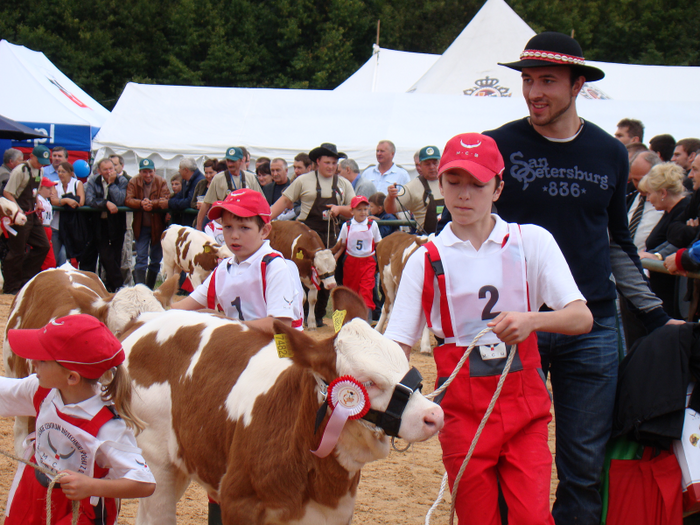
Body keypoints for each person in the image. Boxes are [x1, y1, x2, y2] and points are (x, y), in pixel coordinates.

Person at [465, 32, 673, 525]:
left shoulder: (609, 153)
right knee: (506, 455)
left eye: (548, 81)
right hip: (514, 326)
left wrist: (658, 318)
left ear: (578, 84)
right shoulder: (497, 145)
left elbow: (617, 242)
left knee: (584, 465)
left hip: (592, 326)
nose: (534, 91)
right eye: (528, 80)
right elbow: (470, 231)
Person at [385, 133, 592, 525]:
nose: (464, 195)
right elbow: (398, 344)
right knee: (477, 518)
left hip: (523, 406)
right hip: (461, 410)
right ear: (440, 184)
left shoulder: (530, 240)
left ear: (498, 188)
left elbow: (581, 317)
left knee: (532, 518)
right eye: (454, 183)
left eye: (477, 184)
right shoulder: (425, 258)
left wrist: (533, 319)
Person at [0, 314, 156, 525]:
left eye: (42, 360)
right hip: (33, 494)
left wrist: (92, 486)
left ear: (71, 377)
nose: (32, 362)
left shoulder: (108, 427)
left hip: (79, 511)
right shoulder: (42, 391)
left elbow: (144, 483)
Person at [172, 188, 302, 331]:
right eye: (227, 227)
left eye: (244, 228)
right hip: (241, 347)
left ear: (264, 231)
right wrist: (153, 309)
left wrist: (226, 325)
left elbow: (281, 325)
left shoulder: (273, 266)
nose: (234, 235)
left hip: (277, 348)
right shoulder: (223, 268)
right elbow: (182, 308)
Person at [269, 143, 354, 327]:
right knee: (300, 275)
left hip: (331, 235)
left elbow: (354, 209)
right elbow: (284, 201)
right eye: (327, 162)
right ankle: (299, 315)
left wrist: (340, 209)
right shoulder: (303, 180)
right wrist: (264, 220)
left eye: (334, 163)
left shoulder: (343, 184)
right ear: (317, 162)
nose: (331, 166)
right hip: (305, 236)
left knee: (329, 278)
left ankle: (322, 317)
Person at [637, 163, 690, 318]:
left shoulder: (684, 209)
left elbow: (680, 241)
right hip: (663, 290)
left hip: (675, 295)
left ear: (663, 192)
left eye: (649, 194)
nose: (648, 199)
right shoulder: (671, 211)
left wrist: (657, 256)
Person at [2, 145, 51, 294]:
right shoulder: (20, 171)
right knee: (17, 251)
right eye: (39, 161)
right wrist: (17, 211)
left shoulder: (40, 170)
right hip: (19, 215)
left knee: (43, 246)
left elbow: (34, 190)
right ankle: (12, 286)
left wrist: (38, 203)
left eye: (44, 162)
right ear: (31, 157)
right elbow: (7, 192)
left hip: (32, 212)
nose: (41, 164)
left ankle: (25, 279)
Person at [84, 158, 129, 292]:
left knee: (116, 256)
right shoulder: (93, 180)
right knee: (105, 255)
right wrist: (105, 203)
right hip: (99, 223)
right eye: (106, 169)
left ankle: (111, 286)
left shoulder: (122, 181)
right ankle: (119, 285)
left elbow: (120, 200)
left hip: (116, 223)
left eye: (111, 168)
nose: (109, 172)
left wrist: (112, 184)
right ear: (99, 171)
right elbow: (90, 200)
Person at [125, 159, 170, 289]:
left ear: (154, 171)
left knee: (156, 259)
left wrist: (152, 204)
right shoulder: (133, 181)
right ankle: (140, 287)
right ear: (140, 172)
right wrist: (140, 203)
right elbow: (128, 199)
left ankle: (149, 288)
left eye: (150, 171)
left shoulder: (161, 181)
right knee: (141, 258)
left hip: (158, 226)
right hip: (141, 226)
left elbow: (166, 199)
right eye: (145, 172)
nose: (148, 175)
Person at [333, 195, 382, 313]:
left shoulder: (372, 225)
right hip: (351, 261)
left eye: (365, 209)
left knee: (367, 289)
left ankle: (366, 317)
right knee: (351, 290)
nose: (363, 212)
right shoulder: (347, 226)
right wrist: (336, 256)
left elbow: (378, 243)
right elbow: (342, 244)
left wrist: (379, 261)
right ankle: (350, 315)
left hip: (368, 261)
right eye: (359, 210)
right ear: (352, 211)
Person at [196, 147, 263, 230]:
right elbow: (206, 204)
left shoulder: (250, 177)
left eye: (233, 161)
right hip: (224, 225)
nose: (230, 164)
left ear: (241, 160)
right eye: (228, 161)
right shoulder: (218, 178)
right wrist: (198, 227)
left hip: (246, 224)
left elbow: (261, 202)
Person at [385, 145, 443, 234]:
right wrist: (390, 197)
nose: (432, 167)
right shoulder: (412, 187)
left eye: (435, 163)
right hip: (426, 240)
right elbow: (390, 210)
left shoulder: (451, 183)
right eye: (427, 164)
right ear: (420, 166)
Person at [50, 161, 86, 267]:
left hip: (72, 226)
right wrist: (67, 200)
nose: (60, 174)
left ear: (70, 173)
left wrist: (61, 201)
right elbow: (53, 201)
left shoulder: (77, 183)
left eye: (63, 171)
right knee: (54, 255)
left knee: (71, 255)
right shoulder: (55, 184)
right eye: (59, 171)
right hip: (56, 225)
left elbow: (81, 201)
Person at [169, 157, 204, 227]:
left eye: (180, 168)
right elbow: (180, 195)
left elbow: (189, 202)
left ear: (186, 170)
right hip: (187, 222)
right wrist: (171, 201)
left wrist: (169, 203)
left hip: (194, 223)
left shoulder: (200, 181)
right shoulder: (185, 180)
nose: (179, 171)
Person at [37, 177, 57, 270]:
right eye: (48, 188)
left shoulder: (47, 201)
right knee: (47, 260)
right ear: (39, 189)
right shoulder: (38, 201)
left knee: (50, 260)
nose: (51, 190)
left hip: (48, 228)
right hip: (42, 229)